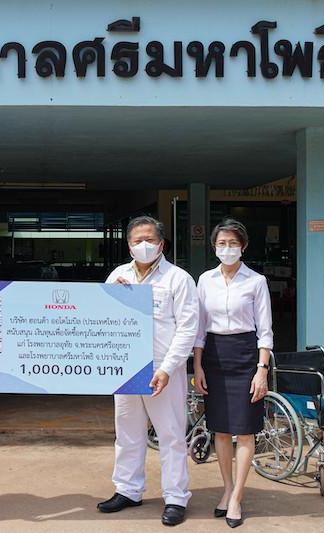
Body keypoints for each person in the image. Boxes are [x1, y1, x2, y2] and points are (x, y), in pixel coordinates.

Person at [97, 215, 199, 527]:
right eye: (137, 241)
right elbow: (99, 317)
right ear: (129, 246)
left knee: (170, 434)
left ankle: (176, 497)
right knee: (127, 432)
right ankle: (128, 490)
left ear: (161, 244)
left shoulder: (178, 279)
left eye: (150, 240)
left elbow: (188, 329)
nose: (144, 245)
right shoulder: (117, 276)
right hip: (126, 367)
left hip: (162, 368)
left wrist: (168, 368)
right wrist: (112, 296)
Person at [192, 218, 273, 529]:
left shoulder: (256, 281)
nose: (227, 249)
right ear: (214, 247)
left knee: (245, 430)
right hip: (214, 356)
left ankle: (237, 497)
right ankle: (227, 489)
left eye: (233, 244)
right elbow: (200, 328)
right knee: (221, 430)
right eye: (222, 244)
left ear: (244, 247)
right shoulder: (205, 280)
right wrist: (198, 365)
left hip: (245, 356)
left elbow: (265, 331)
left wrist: (261, 370)